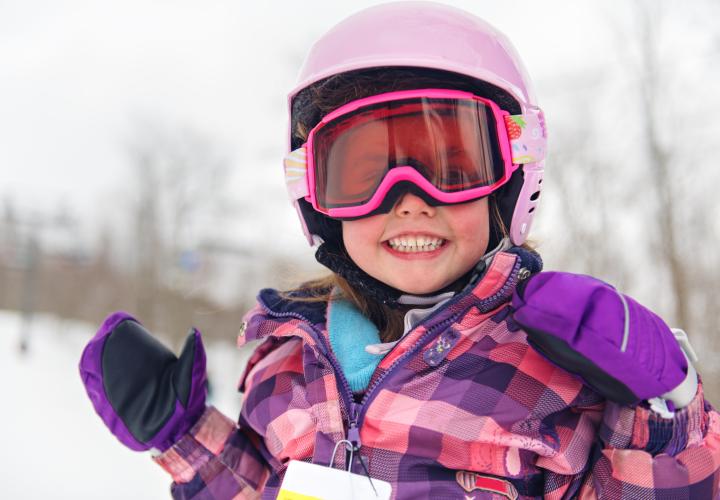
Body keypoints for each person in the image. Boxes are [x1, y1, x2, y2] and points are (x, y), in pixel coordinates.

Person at [79, 2, 720, 498]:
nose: (408, 198)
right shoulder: (283, 369)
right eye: (363, 171)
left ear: (512, 176)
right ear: (316, 197)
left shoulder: (553, 378)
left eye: (451, 162)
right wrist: (186, 438)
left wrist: (666, 419)